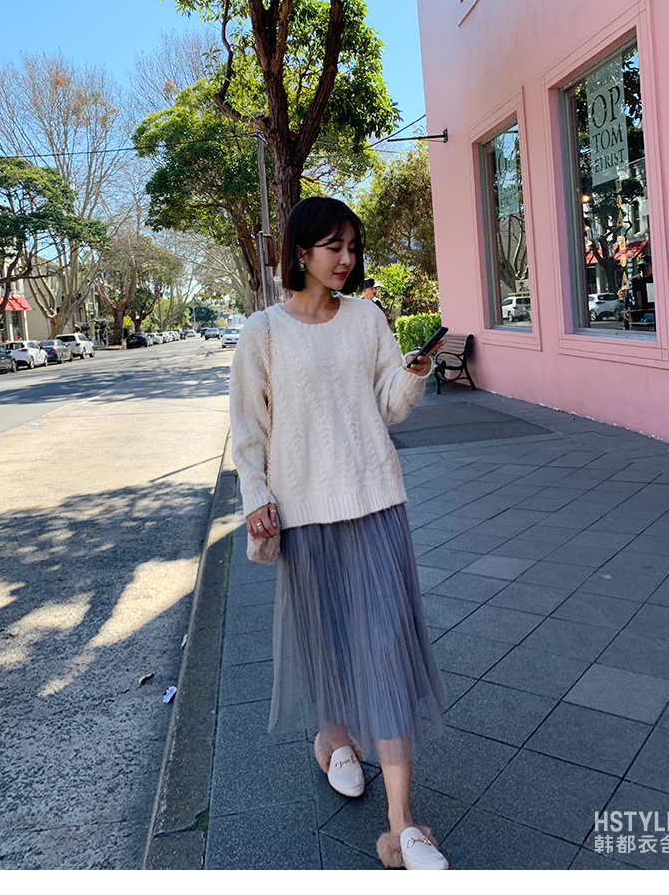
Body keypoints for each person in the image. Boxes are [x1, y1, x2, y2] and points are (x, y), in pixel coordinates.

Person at [229, 197, 449, 871]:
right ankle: (334, 738)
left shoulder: (366, 319)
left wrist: (411, 376)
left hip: (374, 499)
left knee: (385, 646)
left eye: (353, 246)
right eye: (334, 247)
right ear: (301, 252)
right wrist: (256, 496)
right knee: (325, 638)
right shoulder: (263, 332)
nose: (347, 259)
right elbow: (248, 427)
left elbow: (387, 405)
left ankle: (402, 825)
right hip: (304, 509)